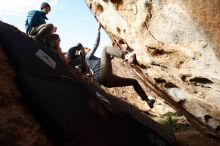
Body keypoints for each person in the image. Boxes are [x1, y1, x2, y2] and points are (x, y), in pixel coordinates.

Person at [69, 23, 155, 108]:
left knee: (134, 82)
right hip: (102, 75)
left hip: (106, 82)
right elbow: (96, 44)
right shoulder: (87, 57)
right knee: (105, 48)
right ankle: (127, 56)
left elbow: (108, 60)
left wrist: (112, 49)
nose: (89, 49)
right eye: (87, 49)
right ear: (86, 52)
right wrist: (98, 30)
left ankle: (147, 100)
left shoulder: (96, 61)